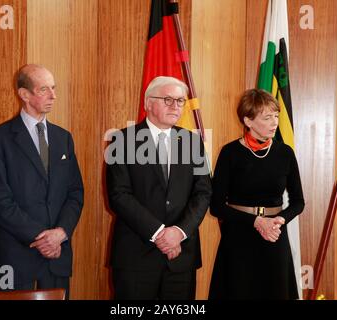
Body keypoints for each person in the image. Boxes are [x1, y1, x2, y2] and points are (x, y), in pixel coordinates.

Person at [0, 65, 84, 299]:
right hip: (15, 257)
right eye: (44, 89)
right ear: (24, 95)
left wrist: (60, 233)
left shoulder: (63, 138)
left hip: (57, 255)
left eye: (54, 88)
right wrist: (41, 237)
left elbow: (75, 193)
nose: (53, 96)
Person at [105, 76, 212, 300]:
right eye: (168, 99)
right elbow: (119, 195)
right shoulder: (121, 141)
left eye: (180, 101)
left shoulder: (192, 142)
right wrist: (160, 234)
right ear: (148, 104)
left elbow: (203, 193)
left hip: (181, 258)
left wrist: (179, 232)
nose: (176, 106)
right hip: (136, 256)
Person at [209, 89, 304, 299]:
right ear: (248, 121)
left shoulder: (285, 153)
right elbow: (216, 206)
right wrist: (256, 222)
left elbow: (298, 202)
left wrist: (280, 219)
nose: (274, 122)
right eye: (267, 117)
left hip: (274, 234)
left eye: (276, 116)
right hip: (239, 236)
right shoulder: (230, 152)